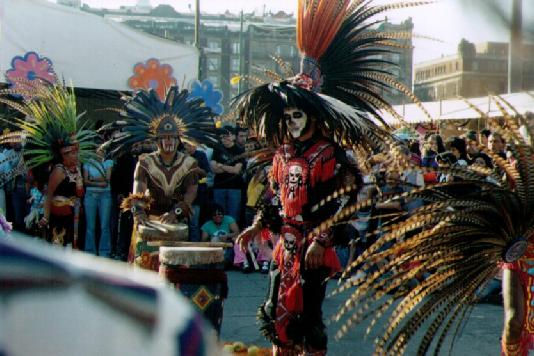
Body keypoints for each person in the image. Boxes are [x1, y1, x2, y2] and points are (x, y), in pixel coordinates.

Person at [232, 0, 407, 351]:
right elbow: (277, 199)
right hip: (286, 242)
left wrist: (321, 240)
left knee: (308, 319)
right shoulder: (282, 153)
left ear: (313, 117)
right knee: (274, 313)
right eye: (288, 117)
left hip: (312, 244)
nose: (292, 123)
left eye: (298, 115)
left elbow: (346, 201)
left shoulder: (328, 154)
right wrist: (257, 224)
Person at [99, 86, 217, 270]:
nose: (169, 142)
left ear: (179, 140)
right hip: (149, 218)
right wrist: (138, 211)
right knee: (144, 269)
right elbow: (138, 188)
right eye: (164, 137)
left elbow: (192, 191)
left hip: (176, 219)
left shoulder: (189, 163)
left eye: (172, 137)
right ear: (156, 141)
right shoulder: (145, 162)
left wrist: (177, 212)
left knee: (173, 272)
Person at [0, 84, 100, 248]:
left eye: (75, 153)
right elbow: (48, 195)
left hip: (69, 214)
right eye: (70, 153)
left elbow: (80, 193)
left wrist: (79, 180)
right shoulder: (59, 170)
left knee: (67, 247)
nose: (74, 156)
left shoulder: (75, 170)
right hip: (56, 216)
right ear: (63, 155)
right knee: (57, 246)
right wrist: (45, 217)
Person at [210, 126, 245, 224]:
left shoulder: (239, 150)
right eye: (221, 137)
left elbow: (236, 170)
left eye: (226, 136)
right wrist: (229, 168)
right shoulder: (217, 149)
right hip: (219, 186)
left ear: (233, 136)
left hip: (235, 187)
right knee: (218, 215)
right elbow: (213, 168)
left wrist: (221, 165)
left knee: (233, 216)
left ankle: (232, 237)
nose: (224, 139)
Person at [83, 147, 113, 257]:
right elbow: (85, 181)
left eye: (102, 150)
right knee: (90, 226)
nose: (100, 152)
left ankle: (104, 251)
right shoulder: (88, 163)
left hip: (105, 195)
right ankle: (90, 251)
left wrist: (92, 180)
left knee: (104, 226)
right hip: (90, 195)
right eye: (98, 150)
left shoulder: (108, 162)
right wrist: (100, 180)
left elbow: (107, 180)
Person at [183, 141, 211, 242]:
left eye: (189, 145)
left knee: (194, 223)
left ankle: (194, 244)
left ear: (194, 146)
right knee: (182, 223)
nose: (187, 147)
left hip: (197, 194)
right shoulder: (179, 155)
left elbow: (205, 172)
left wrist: (193, 165)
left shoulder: (201, 155)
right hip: (181, 193)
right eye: (185, 145)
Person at [201, 204, 242, 269]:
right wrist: (212, 239)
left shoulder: (229, 219)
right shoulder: (207, 225)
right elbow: (203, 241)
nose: (217, 216)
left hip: (227, 247)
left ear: (223, 214)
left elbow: (237, 233)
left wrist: (227, 236)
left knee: (236, 240)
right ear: (211, 216)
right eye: (214, 215)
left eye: (219, 214)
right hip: (214, 249)